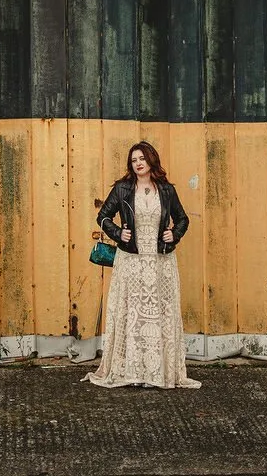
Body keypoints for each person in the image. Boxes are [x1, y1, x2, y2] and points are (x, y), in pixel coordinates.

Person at [85, 141, 201, 389]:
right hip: (132, 260)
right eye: (134, 160)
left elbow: (182, 218)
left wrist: (175, 234)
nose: (138, 163)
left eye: (142, 159)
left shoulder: (166, 190)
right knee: (132, 313)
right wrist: (118, 233)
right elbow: (102, 216)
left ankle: (156, 373)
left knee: (159, 313)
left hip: (160, 261)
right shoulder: (123, 189)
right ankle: (132, 372)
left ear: (151, 161)